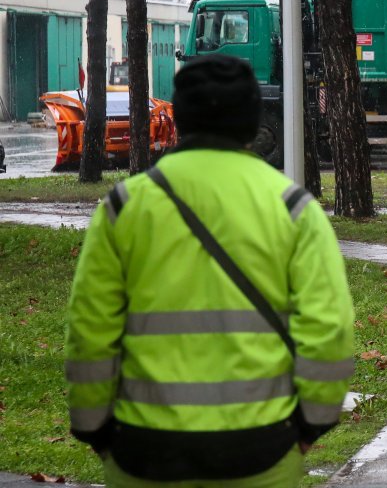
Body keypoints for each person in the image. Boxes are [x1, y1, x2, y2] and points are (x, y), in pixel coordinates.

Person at [65, 54, 354, 487]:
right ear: (253, 122)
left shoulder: (124, 207)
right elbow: (329, 330)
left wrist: (94, 428)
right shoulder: (294, 209)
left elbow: (90, 331)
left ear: (178, 118)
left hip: (145, 450)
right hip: (262, 451)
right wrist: (310, 426)